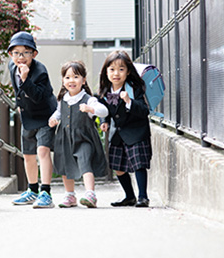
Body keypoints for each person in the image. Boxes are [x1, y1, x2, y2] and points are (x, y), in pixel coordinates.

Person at [49, 61, 108, 208]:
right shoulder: (63, 99)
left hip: (84, 138)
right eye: (67, 77)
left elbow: (104, 111)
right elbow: (58, 113)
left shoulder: (89, 99)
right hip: (65, 138)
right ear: (63, 81)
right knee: (65, 164)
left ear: (83, 80)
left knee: (85, 161)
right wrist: (54, 119)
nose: (71, 81)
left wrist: (90, 109)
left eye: (76, 77)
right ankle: (70, 194)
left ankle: (90, 193)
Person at [7, 31, 57, 208]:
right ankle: (32, 190)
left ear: (34, 54)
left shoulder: (40, 71)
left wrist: (26, 78)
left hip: (45, 116)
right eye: (16, 53)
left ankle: (46, 192)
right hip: (28, 116)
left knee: (42, 151)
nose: (21, 57)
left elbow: (37, 96)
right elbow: (17, 90)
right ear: (10, 54)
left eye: (25, 53)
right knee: (28, 154)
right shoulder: (11, 67)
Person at [98, 50, 152, 207]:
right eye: (112, 69)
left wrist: (129, 101)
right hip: (117, 133)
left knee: (139, 164)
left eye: (121, 69)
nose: (116, 73)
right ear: (106, 71)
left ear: (128, 72)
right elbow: (104, 109)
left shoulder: (134, 88)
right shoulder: (105, 91)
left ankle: (143, 197)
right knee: (118, 167)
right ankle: (129, 196)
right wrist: (104, 120)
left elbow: (144, 110)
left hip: (136, 132)